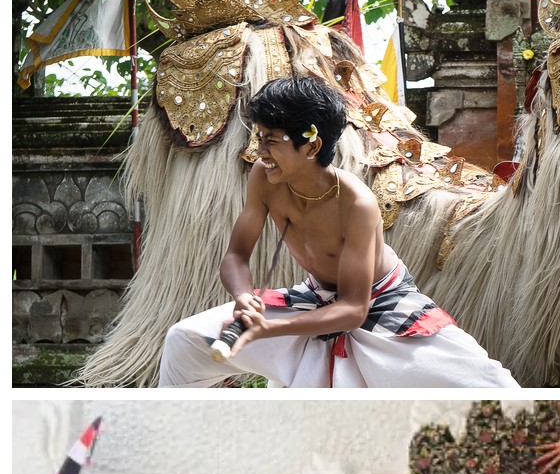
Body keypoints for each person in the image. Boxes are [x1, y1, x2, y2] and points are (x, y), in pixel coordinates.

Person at [158, 77, 518, 388]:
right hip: (316, 299)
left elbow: (352, 311)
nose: (260, 151)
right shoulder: (263, 178)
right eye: (258, 137)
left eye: (271, 140)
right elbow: (236, 257)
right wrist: (242, 296)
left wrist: (267, 330)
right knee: (183, 341)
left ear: (311, 146)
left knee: (489, 385)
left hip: (380, 304)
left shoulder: (358, 205)